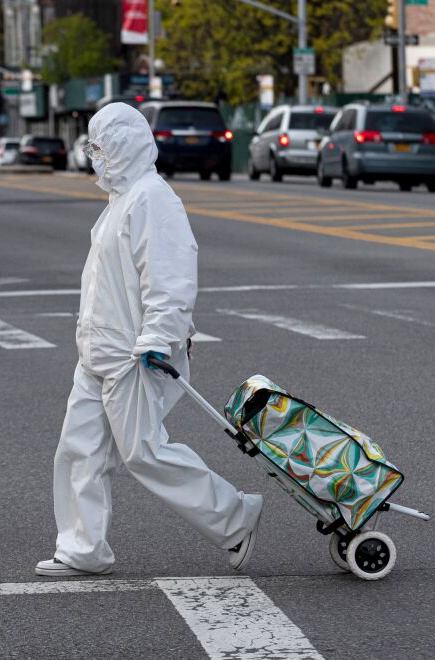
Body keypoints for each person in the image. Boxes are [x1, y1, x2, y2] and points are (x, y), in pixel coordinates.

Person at [35, 103, 263, 577]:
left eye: (101, 146)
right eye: (92, 147)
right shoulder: (122, 200)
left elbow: (170, 278)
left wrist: (159, 337)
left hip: (131, 353)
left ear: (123, 144)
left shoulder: (151, 199)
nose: (95, 157)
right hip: (98, 351)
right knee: (79, 449)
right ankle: (82, 547)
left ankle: (235, 516)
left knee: (145, 451)